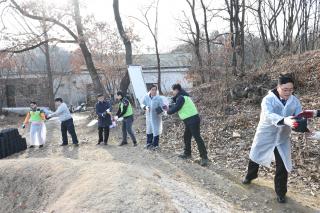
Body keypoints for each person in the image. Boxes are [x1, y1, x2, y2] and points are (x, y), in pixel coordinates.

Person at [242, 74, 302, 204]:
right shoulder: (268, 99)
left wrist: (301, 125)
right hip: (266, 134)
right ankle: (250, 175)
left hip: (282, 138)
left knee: (283, 165)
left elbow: (299, 116)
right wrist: (284, 120)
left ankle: (281, 192)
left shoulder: (295, 101)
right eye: (285, 89)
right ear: (278, 87)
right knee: (255, 155)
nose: (288, 92)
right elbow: (268, 115)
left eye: (291, 89)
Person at [166, 84, 208, 167]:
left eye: (173, 90)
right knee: (186, 136)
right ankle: (187, 153)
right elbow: (176, 104)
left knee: (197, 138)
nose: (172, 92)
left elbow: (177, 107)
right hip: (190, 120)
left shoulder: (181, 97)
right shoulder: (183, 96)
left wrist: (168, 111)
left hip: (192, 120)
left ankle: (204, 157)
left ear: (176, 90)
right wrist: (170, 105)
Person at [141, 85, 166, 150]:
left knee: (156, 130)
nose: (154, 91)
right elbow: (142, 104)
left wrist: (161, 110)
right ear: (150, 90)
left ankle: (155, 145)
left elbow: (162, 106)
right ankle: (149, 143)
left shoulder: (159, 98)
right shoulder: (146, 97)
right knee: (149, 129)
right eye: (152, 89)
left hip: (156, 117)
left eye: (155, 89)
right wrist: (145, 107)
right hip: (149, 116)